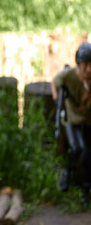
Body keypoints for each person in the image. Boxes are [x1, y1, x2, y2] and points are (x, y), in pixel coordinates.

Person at [51, 42, 91, 207]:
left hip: (88, 120)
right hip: (71, 119)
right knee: (77, 149)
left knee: (88, 155)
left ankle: (85, 191)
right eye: (86, 65)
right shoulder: (69, 75)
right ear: (79, 64)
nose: (89, 69)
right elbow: (55, 82)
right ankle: (67, 172)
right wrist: (56, 100)